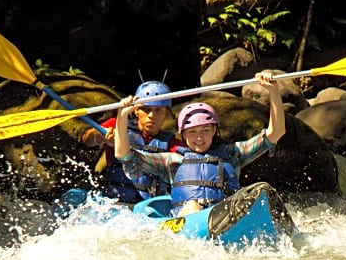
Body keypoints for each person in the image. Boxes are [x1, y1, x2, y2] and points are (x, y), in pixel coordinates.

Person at [114, 71, 285, 217]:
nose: (199, 138)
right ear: (183, 135)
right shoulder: (172, 161)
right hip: (188, 219)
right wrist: (122, 117)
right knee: (192, 205)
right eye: (192, 132)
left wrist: (273, 91)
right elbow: (124, 155)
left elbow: (275, 133)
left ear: (214, 130)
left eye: (205, 130)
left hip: (224, 216)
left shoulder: (233, 153)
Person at [81, 80, 183, 206]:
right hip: (114, 204)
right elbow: (87, 139)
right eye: (146, 109)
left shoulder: (172, 143)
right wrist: (100, 137)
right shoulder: (117, 125)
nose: (152, 115)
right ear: (136, 111)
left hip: (149, 208)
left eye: (159, 110)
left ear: (166, 113)